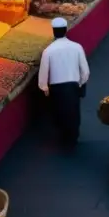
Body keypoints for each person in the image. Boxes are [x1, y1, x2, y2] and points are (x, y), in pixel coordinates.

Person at [38, 18, 91, 147]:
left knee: (60, 113)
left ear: (53, 31)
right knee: (74, 113)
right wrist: (80, 84)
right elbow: (85, 72)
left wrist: (44, 87)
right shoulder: (77, 47)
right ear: (66, 30)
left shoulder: (48, 51)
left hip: (57, 90)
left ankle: (64, 139)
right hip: (73, 86)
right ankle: (73, 138)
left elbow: (43, 74)